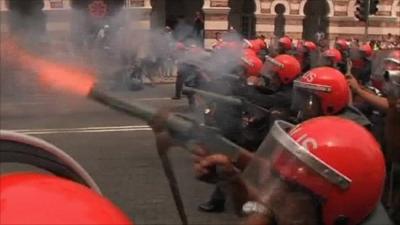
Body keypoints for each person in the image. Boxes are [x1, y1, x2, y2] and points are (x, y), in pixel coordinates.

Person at [188, 116, 393, 225]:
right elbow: (266, 211)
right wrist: (232, 181)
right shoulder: (308, 212)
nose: (276, 196)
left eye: (291, 189)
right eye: (280, 181)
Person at [347, 50, 400, 224]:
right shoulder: (393, 91)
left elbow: (387, 105)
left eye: (395, 66)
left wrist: (359, 91)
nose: (389, 69)